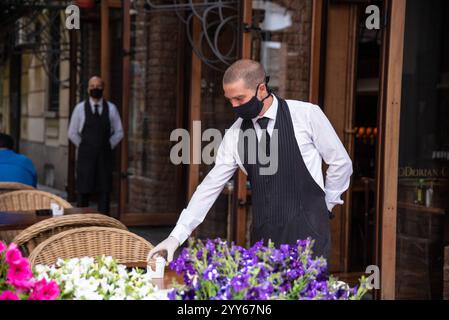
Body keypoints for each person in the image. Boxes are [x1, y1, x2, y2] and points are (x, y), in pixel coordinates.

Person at [148, 59, 352, 262]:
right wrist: (175, 237)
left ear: (261, 89)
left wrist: (325, 205)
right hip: (263, 240)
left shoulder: (306, 115)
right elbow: (210, 187)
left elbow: (340, 162)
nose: (234, 106)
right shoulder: (236, 134)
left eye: (239, 99)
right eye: (230, 100)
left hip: (309, 235)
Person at [68, 76, 123, 214]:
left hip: (105, 158)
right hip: (85, 158)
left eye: (98, 86)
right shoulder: (79, 109)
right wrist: (84, 146)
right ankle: (81, 224)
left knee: (104, 192)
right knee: (83, 192)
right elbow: (72, 132)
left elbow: (119, 132)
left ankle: (104, 225)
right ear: (87, 89)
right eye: (92, 86)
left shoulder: (111, 108)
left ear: (103, 88)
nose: (95, 89)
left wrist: (108, 145)